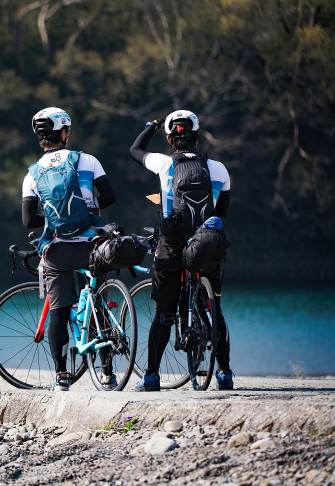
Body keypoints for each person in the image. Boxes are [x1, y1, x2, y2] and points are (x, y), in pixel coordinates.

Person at [128, 109, 233, 391]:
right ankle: (224, 374)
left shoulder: (163, 164)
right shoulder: (218, 169)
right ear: (197, 137)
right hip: (206, 245)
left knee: (163, 313)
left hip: (172, 245)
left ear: (170, 140)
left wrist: (151, 125)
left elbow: (135, 150)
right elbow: (222, 212)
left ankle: (151, 376)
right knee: (216, 313)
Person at [22, 106, 117, 391]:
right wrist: (87, 214)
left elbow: (28, 220)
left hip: (58, 250)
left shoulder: (32, 174)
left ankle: (62, 376)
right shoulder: (88, 160)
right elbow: (110, 196)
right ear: (64, 133)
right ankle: (107, 373)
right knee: (100, 305)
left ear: (40, 137)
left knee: (60, 311)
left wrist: (55, 218)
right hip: (93, 246)